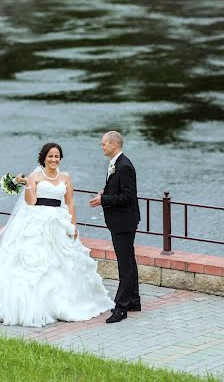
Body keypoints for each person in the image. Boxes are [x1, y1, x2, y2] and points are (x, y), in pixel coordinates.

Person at [0, 142, 113, 327]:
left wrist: (73, 225)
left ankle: (61, 303)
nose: (54, 159)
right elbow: (31, 201)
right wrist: (26, 185)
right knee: (34, 263)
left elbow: (70, 202)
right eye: (50, 156)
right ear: (44, 158)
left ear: (60, 159)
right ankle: (34, 306)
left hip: (59, 221)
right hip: (37, 220)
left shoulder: (66, 177)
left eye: (57, 156)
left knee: (61, 263)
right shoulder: (34, 176)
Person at [89, 131, 141, 324]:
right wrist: (106, 192)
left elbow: (128, 197)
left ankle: (121, 308)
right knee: (128, 260)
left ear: (113, 144)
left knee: (124, 265)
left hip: (124, 222)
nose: (102, 147)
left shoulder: (124, 166)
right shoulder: (116, 164)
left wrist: (104, 199)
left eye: (104, 144)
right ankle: (134, 301)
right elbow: (118, 190)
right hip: (120, 221)